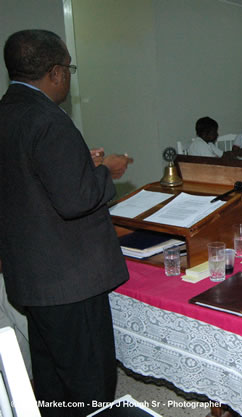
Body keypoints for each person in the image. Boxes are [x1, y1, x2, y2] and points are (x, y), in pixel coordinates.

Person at [0, 29, 132, 416]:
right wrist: (107, 170)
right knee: (88, 383)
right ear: (56, 72)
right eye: (69, 68)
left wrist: (79, 165)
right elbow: (76, 200)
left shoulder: (7, 111)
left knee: (52, 377)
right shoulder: (49, 120)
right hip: (70, 280)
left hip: (31, 276)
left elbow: (25, 180)